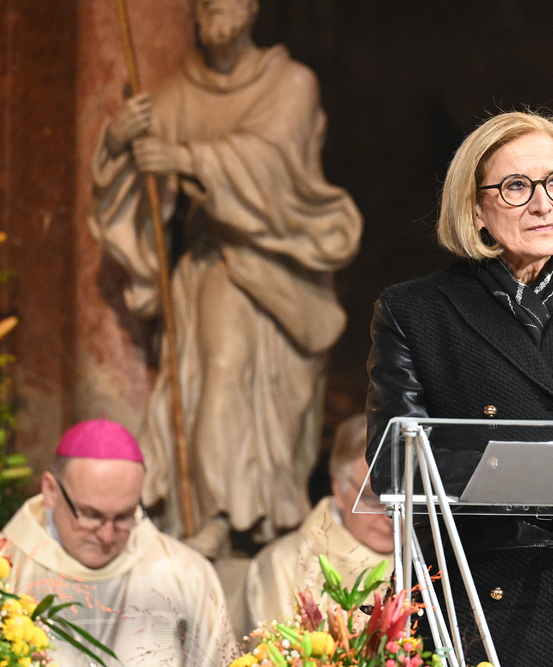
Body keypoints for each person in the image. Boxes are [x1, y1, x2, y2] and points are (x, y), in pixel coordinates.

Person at [366, 110, 553, 667]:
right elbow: (392, 466)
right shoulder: (417, 313)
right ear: (475, 209)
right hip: (469, 599)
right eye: (515, 187)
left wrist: (535, 469)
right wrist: (524, 470)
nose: (542, 203)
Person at [89, 0, 363, 556]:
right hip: (213, 266)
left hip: (278, 272)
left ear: (252, 8)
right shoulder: (177, 92)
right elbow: (140, 177)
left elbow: (271, 164)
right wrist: (117, 144)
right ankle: (212, 511)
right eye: (205, 3)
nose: (215, 9)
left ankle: (255, 513)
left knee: (258, 401)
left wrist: (186, 159)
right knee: (216, 376)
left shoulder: (289, 83)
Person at [0, 419, 237, 667]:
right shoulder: (8, 568)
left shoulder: (186, 573)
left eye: (124, 516)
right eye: (91, 515)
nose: (107, 536)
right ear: (51, 490)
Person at [236, 414, 393, 639]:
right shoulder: (286, 564)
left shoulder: (431, 562)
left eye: (404, 500)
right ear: (338, 488)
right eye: (373, 499)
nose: (391, 517)